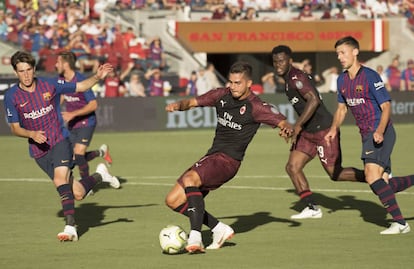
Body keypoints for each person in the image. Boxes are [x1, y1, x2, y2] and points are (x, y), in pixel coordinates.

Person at [164, 61, 293, 253]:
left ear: (249, 83)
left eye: (238, 83)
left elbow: (284, 122)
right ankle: (218, 228)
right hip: (213, 156)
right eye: (231, 82)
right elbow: (191, 102)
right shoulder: (221, 95)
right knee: (173, 201)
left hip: (228, 161)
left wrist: (287, 129)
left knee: (190, 179)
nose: (233, 86)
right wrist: (177, 105)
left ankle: (195, 237)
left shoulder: (257, 107)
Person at [4, 51, 120, 242]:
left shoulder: (49, 84)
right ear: (16, 73)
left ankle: (70, 227)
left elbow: (81, 86)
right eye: (21, 71)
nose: (25, 75)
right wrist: (31, 134)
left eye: (28, 70)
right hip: (38, 151)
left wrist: (98, 76)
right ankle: (101, 175)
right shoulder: (12, 96)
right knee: (78, 193)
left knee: (60, 180)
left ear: (34, 69)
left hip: (60, 140)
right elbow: (15, 128)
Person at [325, 36, 411, 234]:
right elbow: (341, 110)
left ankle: (400, 223)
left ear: (355, 52)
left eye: (342, 52)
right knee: (384, 182)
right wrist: (333, 129)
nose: (339, 57)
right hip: (367, 135)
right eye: (337, 53)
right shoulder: (342, 80)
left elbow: (387, 106)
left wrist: (380, 131)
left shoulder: (370, 76)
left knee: (371, 176)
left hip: (381, 132)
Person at [271, 45, 366, 219]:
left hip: (323, 130)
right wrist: (297, 127)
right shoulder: (287, 79)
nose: (278, 65)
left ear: (290, 61)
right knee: (292, 167)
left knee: (335, 174)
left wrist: (297, 126)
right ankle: (312, 208)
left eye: (282, 61)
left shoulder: (296, 76)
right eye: (275, 62)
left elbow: (313, 100)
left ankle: (374, 176)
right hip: (308, 132)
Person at [56, 51, 114, 184]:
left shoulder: (82, 81)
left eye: (58, 62)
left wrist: (72, 114)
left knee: (78, 154)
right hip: (72, 124)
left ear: (65, 64)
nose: (55, 65)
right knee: (73, 158)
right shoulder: (61, 80)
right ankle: (101, 153)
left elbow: (93, 105)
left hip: (86, 122)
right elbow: (62, 97)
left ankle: (87, 184)